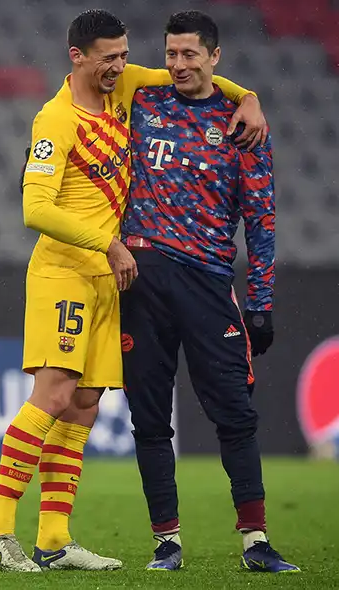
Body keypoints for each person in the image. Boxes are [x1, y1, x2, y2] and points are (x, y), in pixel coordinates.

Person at [0, 9, 267, 573]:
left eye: (123, 56)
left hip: (109, 280)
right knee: (55, 395)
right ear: (76, 57)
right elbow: (35, 207)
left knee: (84, 406)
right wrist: (107, 245)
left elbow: (198, 80)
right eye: (108, 58)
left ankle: (55, 540)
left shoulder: (123, 86)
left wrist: (248, 96)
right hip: (64, 272)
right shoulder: (54, 121)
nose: (120, 67)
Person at [120, 10, 298, 573]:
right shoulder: (143, 103)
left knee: (235, 415)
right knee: (148, 418)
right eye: (171, 53)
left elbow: (261, 220)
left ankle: (255, 542)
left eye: (189, 54)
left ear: (213, 57)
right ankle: (165, 544)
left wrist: (261, 301)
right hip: (141, 280)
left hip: (208, 283)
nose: (176, 64)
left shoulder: (243, 125)